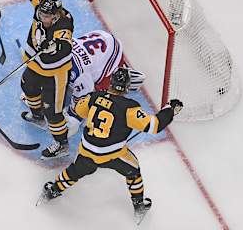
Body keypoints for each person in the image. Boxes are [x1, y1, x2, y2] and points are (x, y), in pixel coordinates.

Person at [37, 67, 183, 224]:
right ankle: (139, 205)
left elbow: (79, 109)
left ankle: (52, 191)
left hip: (87, 151)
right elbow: (154, 126)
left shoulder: (94, 97)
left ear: (111, 83)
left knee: (74, 171)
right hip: (113, 155)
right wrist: (170, 109)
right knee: (133, 172)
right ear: (127, 87)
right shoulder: (130, 108)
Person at [14, 0, 74, 159]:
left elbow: (65, 46)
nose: (41, 18)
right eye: (40, 14)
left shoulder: (64, 23)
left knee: (54, 113)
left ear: (56, 16)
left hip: (54, 74)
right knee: (28, 87)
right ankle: (37, 116)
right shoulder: (43, 7)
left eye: (46, 17)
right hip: (34, 65)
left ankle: (61, 143)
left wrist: (54, 46)